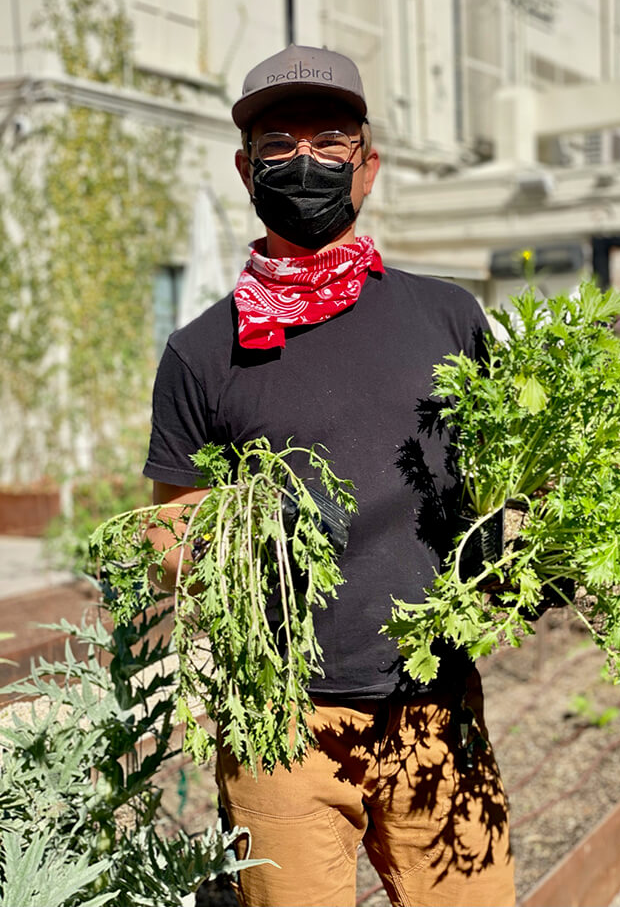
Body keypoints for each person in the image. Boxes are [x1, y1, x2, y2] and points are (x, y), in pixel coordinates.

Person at [144, 44, 515, 907]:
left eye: (330, 141)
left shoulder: (448, 316)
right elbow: (167, 529)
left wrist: (522, 536)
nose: (304, 162)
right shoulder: (201, 351)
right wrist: (235, 540)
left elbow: (502, 473)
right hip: (278, 723)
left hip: (436, 712)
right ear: (246, 168)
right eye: (278, 144)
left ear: (368, 165)